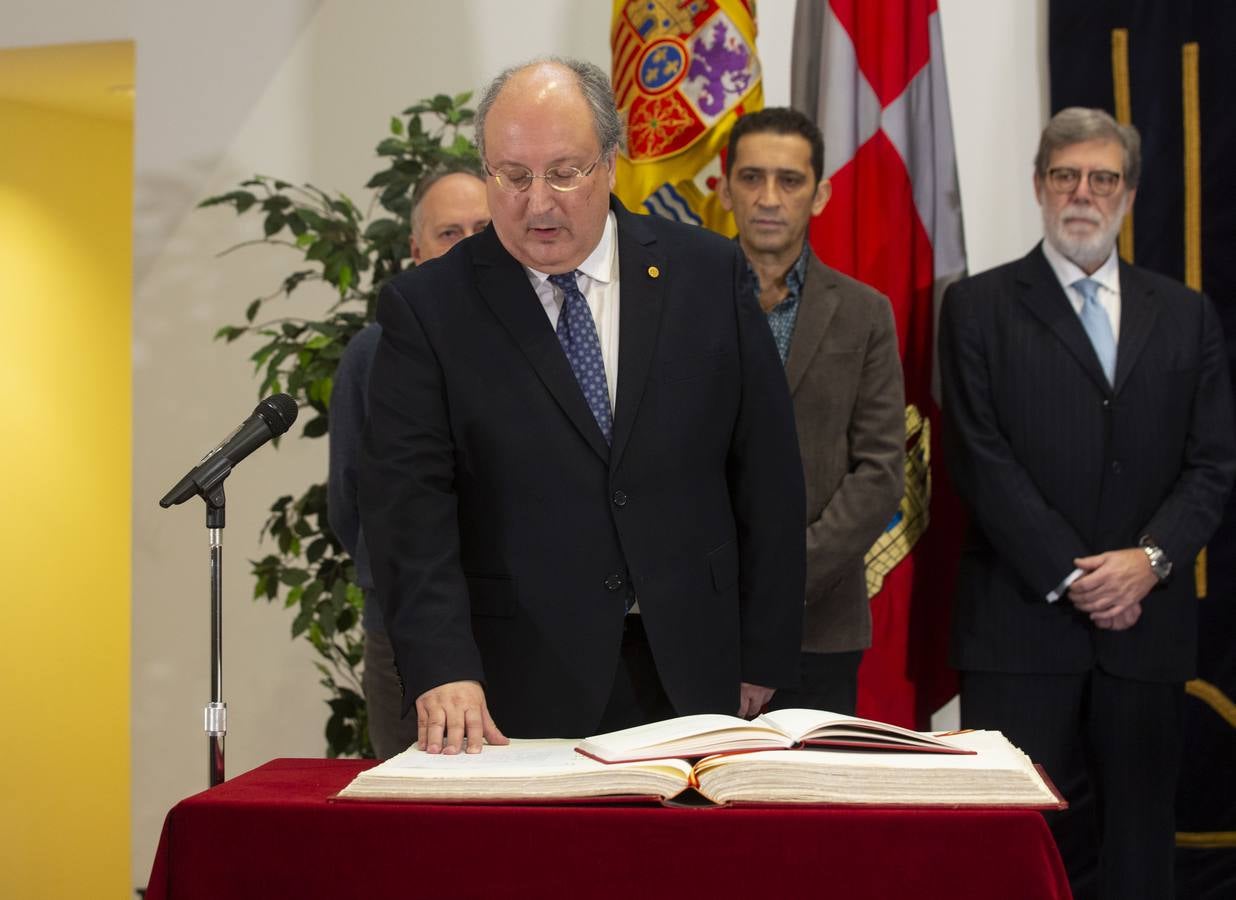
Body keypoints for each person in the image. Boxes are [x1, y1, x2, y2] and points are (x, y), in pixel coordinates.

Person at [358, 57, 805, 754]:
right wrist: (443, 667)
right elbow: (408, 510)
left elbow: (767, 474)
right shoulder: (429, 310)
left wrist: (764, 648)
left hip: (691, 668)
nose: (538, 202)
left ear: (612, 165)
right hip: (513, 685)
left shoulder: (706, 274)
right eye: (512, 176)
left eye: (564, 172)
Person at [938, 106, 1236, 900]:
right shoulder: (976, 307)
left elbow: (1212, 465)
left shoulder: (1185, 314)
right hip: (1019, 627)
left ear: (1130, 194)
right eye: (1065, 176)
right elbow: (979, 459)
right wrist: (1077, 578)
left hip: (1147, 628)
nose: (1083, 194)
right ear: (1039, 187)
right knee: (1009, 847)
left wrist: (1150, 560)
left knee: (1140, 848)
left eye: (1103, 179)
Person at [718, 108, 904, 715]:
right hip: (699, 617)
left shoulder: (864, 313)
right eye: (751, 178)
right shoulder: (676, 300)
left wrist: (783, 577)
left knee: (807, 804)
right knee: (692, 802)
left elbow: (880, 472)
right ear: (723, 188)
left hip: (820, 625)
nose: (769, 198)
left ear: (820, 193)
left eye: (790, 180)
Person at [328, 165, 489, 759]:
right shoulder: (373, 354)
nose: (467, 247)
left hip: (521, 626)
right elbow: (350, 503)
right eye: (450, 233)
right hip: (402, 635)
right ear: (416, 249)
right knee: (411, 822)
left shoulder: (544, 342)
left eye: (482, 229)